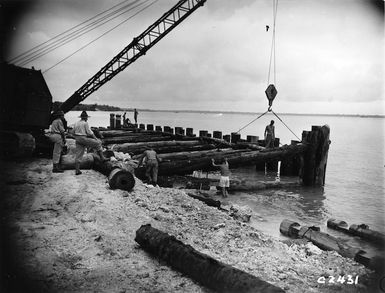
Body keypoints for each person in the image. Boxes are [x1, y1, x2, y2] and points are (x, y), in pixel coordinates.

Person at [73, 111, 108, 175]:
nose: (87, 119)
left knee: (79, 154)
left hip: (77, 139)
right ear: (85, 117)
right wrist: (96, 139)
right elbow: (89, 132)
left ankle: (77, 170)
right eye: (87, 117)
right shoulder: (85, 123)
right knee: (98, 143)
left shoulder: (76, 123)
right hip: (83, 138)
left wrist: (76, 137)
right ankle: (102, 158)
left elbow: (72, 132)